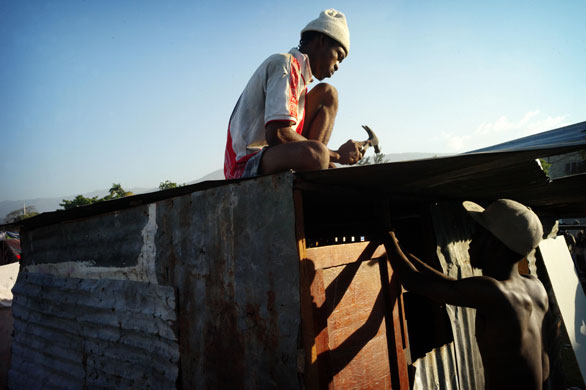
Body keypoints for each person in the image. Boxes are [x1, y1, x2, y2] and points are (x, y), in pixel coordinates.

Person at [381, 199, 549, 390]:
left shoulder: (495, 292)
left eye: (478, 234)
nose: (471, 240)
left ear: (494, 243)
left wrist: (386, 236)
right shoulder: (535, 287)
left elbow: (413, 281)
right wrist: (405, 253)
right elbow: (450, 284)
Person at [224, 9, 364, 180]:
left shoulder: (301, 83)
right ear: (322, 40)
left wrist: (331, 164)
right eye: (338, 56)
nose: (337, 66)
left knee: (328, 94)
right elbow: (277, 134)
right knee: (318, 153)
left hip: (275, 155)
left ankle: (318, 169)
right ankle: (318, 166)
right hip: (246, 164)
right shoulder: (285, 64)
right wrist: (336, 155)